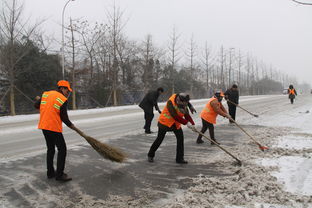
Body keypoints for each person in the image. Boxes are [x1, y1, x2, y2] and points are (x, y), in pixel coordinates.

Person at [34, 80, 76, 182]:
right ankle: (59, 175)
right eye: (67, 90)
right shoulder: (62, 99)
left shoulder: (46, 94)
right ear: (62, 88)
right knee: (62, 149)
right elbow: (64, 117)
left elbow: (36, 106)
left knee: (51, 149)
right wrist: (71, 125)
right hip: (53, 127)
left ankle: (50, 173)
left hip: (44, 126)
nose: (68, 93)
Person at [147, 93, 195, 164]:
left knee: (180, 139)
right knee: (159, 139)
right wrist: (186, 123)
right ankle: (150, 155)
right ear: (179, 100)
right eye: (183, 103)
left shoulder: (183, 102)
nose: (184, 105)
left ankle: (179, 159)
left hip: (175, 124)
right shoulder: (171, 102)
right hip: (165, 122)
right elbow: (174, 116)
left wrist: (192, 124)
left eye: (186, 103)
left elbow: (186, 114)